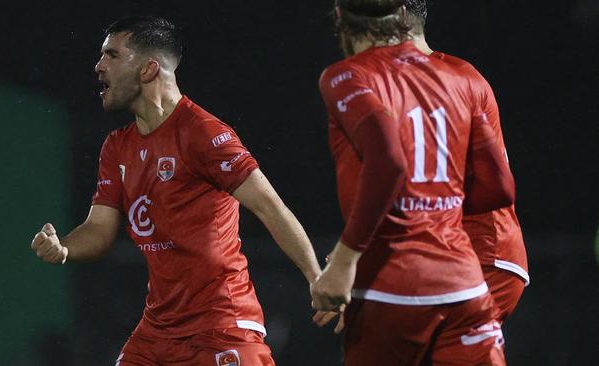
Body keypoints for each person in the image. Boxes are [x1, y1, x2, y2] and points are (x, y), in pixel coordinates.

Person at [30, 16, 322, 366]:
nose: (98, 66)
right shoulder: (117, 147)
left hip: (221, 325)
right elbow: (99, 229)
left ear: (149, 69)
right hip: (157, 332)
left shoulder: (203, 133)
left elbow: (270, 207)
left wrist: (315, 277)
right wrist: (64, 248)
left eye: (112, 55)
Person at [310, 1, 516, 365]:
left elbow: (388, 161)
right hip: (464, 283)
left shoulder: (346, 76)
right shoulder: (460, 76)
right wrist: (438, 211)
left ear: (340, 17)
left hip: (392, 284)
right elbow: (498, 186)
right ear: (405, 18)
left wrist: (345, 259)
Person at [405, 0, 529, 323]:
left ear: (398, 18)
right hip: (466, 257)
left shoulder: (431, 83)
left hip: (482, 256)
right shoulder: (453, 75)